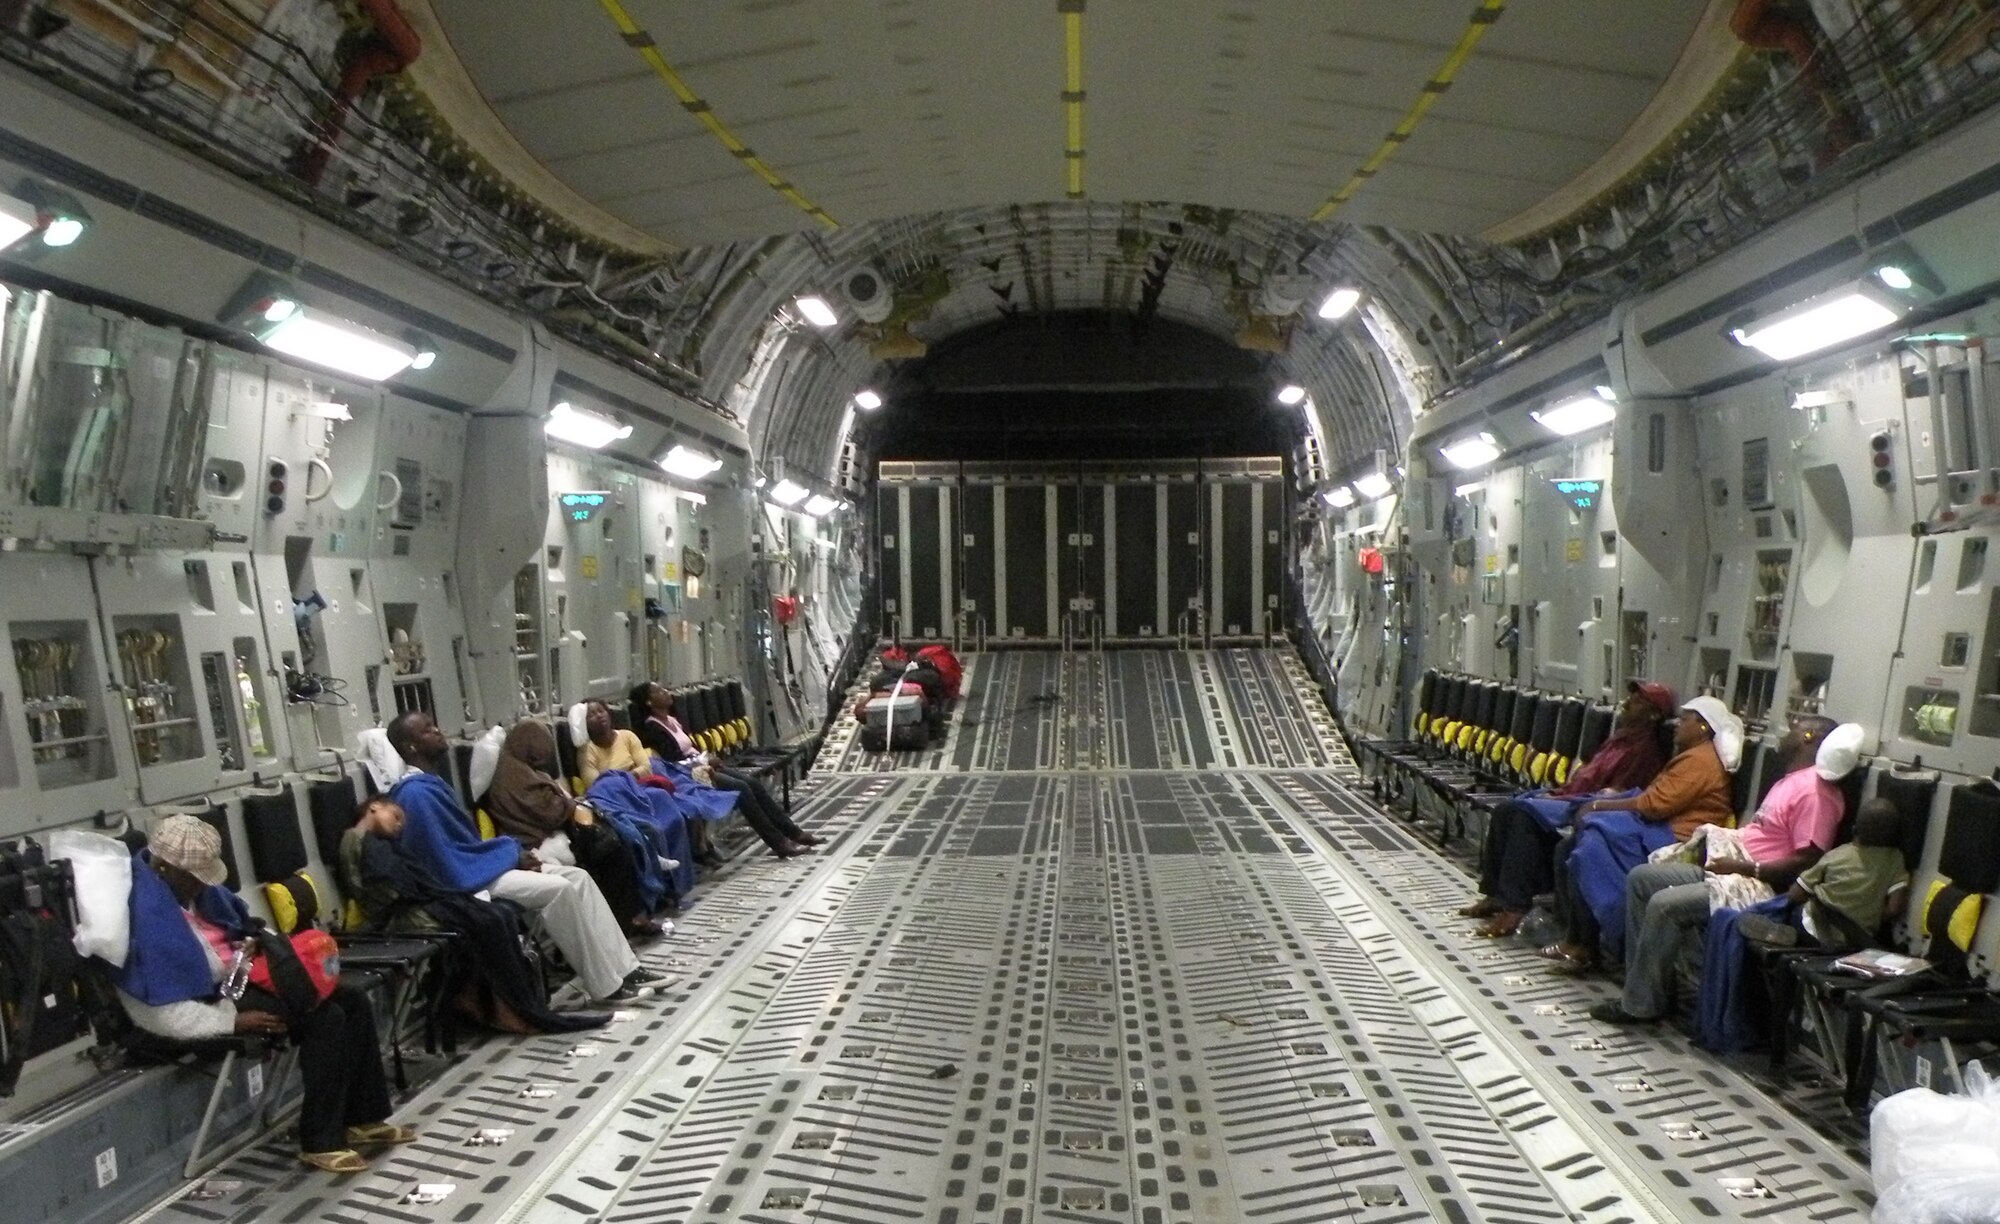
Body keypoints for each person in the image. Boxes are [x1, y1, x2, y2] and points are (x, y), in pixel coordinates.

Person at [116, 814, 413, 1173]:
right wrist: (231, 1021)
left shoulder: (200, 894)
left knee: (351, 999)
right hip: (211, 1003)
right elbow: (155, 1010)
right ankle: (321, 1141)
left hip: (239, 979)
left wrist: (253, 944)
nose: (202, 885)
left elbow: (239, 927)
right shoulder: (143, 917)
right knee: (325, 1018)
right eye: (195, 878)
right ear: (164, 867)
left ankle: (362, 1118)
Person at [1592, 717, 1858, 1025]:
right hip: (1733, 868)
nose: (1785, 733)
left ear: (1809, 737)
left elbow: (1809, 859)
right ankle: (1654, 989)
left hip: (1760, 886)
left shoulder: (1816, 793)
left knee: (1664, 906)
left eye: (1795, 727)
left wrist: (1746, 867)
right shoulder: (1792, 780)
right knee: (1642, 878)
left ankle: (1639, 1005)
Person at [385, 711, 662, 1002]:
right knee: (559, 890)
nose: (438, 730)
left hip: (478, 869)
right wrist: (510, 857)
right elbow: (445, 861)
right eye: (427, 730)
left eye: (434, 724)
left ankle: (627, 968)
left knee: (579, 877)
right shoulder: (414, 795)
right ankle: (606, 986)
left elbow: (464, 847)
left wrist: (512, 853)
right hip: (465, 884)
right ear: (410, 747)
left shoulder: (432, 784)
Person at [340, 797, 608, 1036]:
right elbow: (376, 891)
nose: (399, 826)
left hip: (416, 905)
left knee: (493, 916)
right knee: (487, 920)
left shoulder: (378, 844)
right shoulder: (355, 839)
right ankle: (510, 1009)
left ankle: (509, 1005)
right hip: (402, 916)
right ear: (374, 807)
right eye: (396, 817)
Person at [1541, 695, 1741, 972]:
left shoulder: (1701, 762)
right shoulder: (1692, 757)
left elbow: (1654, 805)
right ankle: (1579, 939)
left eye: (1684, 720)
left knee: (1590, 844)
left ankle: (1596, 937)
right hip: (1661, 826)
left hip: (1678, 838)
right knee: (1575, 845)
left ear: (1704, 727)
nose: (1676, 725)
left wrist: (1599, 805)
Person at [1460, 680, 1674, 936]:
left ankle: (1514, 907)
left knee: (1523, 815)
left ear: (1653, 714)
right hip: (1570, 795)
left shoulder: (1645, 751)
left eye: (1637, 701)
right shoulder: (1619, 740)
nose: (1626, 704)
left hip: (1591, 805)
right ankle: (1495, 894)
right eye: (1630, 697)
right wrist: (1557, 794)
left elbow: (1621, 793)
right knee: (1507, 808)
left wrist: (1569, 800)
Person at [487, 719, 669, 933]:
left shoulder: (524, 770)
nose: (542, 759)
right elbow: (550, 813)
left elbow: (557, 802)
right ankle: (625, 919)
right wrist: (568, 801)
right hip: (537, 839)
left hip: (555, 830)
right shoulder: (513, 779)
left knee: (616, 835)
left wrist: (567, 801)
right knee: (613, 851)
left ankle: (629, 911)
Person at [627, 684, 823, 858]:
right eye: (658, 691)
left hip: (702, 766)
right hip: (687, 775)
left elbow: (691, 747)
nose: (666, 692)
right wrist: (705, 760)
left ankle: (794, 833)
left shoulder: (672, 720)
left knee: (752, 784)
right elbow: (674, 760)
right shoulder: (652, 727)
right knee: (741, 789)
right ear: (649, 701)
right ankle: (779, 843)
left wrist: (707, 759)